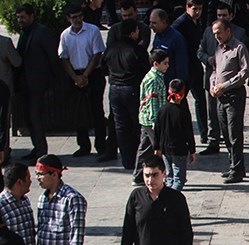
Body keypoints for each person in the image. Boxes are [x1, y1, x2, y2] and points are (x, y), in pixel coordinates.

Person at [197, 2, 248, 155]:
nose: (221, 17)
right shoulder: (208, 32)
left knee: (232, 124)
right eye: (219, 15)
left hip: (231, 86)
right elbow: (200, 52)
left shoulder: (239, 34)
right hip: (213, 81)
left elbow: (243, 66)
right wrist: (208, 59)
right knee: (212, 113)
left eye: (224, 15)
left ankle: (234, 156)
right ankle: (213, 140)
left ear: (231, 16)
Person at [58, 3, 107, 158]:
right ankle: (83, 146)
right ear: (68, 19)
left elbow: (97, 54)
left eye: (80, 16)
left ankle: (101, 145)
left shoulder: (92, 30)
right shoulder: (65, 35)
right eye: (74, 17)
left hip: (93, 74)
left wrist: (85, 75)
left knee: (97, 111)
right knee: (79, 112)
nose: (78, 20)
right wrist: (75, 77)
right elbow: (63, 58)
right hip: (75, 74)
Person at [102, 18, 150, 170]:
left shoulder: (110, 49)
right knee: (137, 124)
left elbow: (103, 68)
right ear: (133, 32)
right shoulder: (137, 50)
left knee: (120, 126)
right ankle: (139, 158)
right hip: (132, 89)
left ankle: (126, 160)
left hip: (114, 89)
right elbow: (146, 71)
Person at [14, 4, 59, 164]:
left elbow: (52, 58)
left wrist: (52, 81)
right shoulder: (24, 32)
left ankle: (41, 152)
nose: (20, 20)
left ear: (32, 16)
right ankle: (36, 148)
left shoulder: (41, 32)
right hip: (25, 84)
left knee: (35, 117)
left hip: (38, 85)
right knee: (28, 118)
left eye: (23, 17)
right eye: (18, 17)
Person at [210, 18, 249, 184]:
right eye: (214, 34)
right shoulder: (218, 49)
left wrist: (225, 85)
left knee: (234, 134)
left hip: (234, 95)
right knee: (225, 133)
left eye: (219, 32)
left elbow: (245, 72)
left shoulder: (239, 47)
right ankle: (233, 165)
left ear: (228, 31)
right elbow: (215, 71)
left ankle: (238, 170)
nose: (217, 36)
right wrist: (213, 85)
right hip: (220, 97)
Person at [132, 50, 170, 187]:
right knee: (162, 149)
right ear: (156, 63)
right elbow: (151, 102)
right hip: (151, 121)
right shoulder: (153, 79)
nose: (167, 66)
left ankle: (137, 176)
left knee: (145, 147)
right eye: (165, 63)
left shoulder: (155, 77)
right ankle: (166, 175)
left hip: (146, 119)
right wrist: (156, 123)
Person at [173, 0, 208, 145]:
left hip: (195, 66)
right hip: (184, 68)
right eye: (195, 9)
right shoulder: (179, 24)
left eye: (200, 9)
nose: (198, 12)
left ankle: (204, 133)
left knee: (200, 99)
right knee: (179, 100)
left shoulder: (196, 21)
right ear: (187, 7)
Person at [154, 79, 197, 191]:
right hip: (179, 149)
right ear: (182, 95)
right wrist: (192, 150)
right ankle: (172, 198)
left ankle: (166, 196)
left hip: (165, 149)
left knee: (169, 177)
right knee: (179, 179)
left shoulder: (162, 110)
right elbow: (189, 133)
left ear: (169, 91)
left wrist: (157, 147)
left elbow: (157, 131)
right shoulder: (183, 112)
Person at [151, 8, 190, 84]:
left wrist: (180, 85)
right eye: (150, 22)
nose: (151, 26)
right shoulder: (157, 36)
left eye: (154, 23)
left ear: (164, 22)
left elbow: (181, 65)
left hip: (170, 83)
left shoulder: (176, 38)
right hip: (158, 82)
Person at [0, 30, 21, 165]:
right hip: (3, 89)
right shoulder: (4, 42)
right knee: (3, 121)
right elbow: (17, 62)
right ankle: (3, 153)